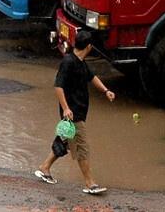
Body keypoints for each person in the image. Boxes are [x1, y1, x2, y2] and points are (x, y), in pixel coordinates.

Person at [34, 29, 115, 194]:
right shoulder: (68, 62)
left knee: (63, 142)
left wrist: (106, 91)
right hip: (73, 114)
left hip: (76, 112)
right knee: (82, 147)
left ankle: (44, 168)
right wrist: (66, 108)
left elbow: (92, 78)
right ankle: (90, 183)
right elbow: (58, 86)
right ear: (89, 47)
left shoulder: (81, 63)